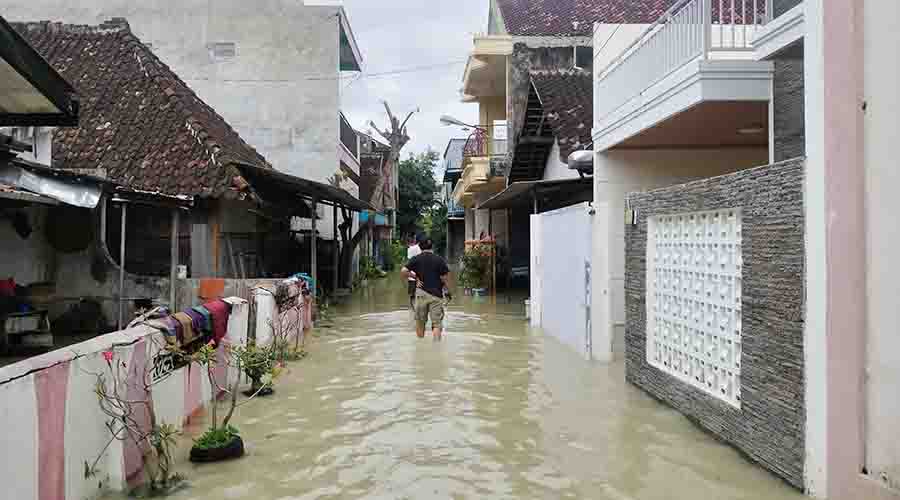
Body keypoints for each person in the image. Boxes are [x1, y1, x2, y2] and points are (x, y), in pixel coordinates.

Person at [401, 238, 451, 340]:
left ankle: (420, 348)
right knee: (437, 324)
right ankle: (436, 349)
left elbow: (403, 271)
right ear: (432, 246)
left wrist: (416, 278)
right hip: (436, 295)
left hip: (421, 294)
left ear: (419, 247)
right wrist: (448, 291)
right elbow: (445, 278)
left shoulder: (416, 259)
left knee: (420, 323)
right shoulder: (439, 259)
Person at [405, 234, 422, 308]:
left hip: (412, 276)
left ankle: (413, 310)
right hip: (420, 275)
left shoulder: (409, 249)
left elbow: (409, 262)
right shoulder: (419, 248)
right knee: (420, 294)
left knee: (412, 295)